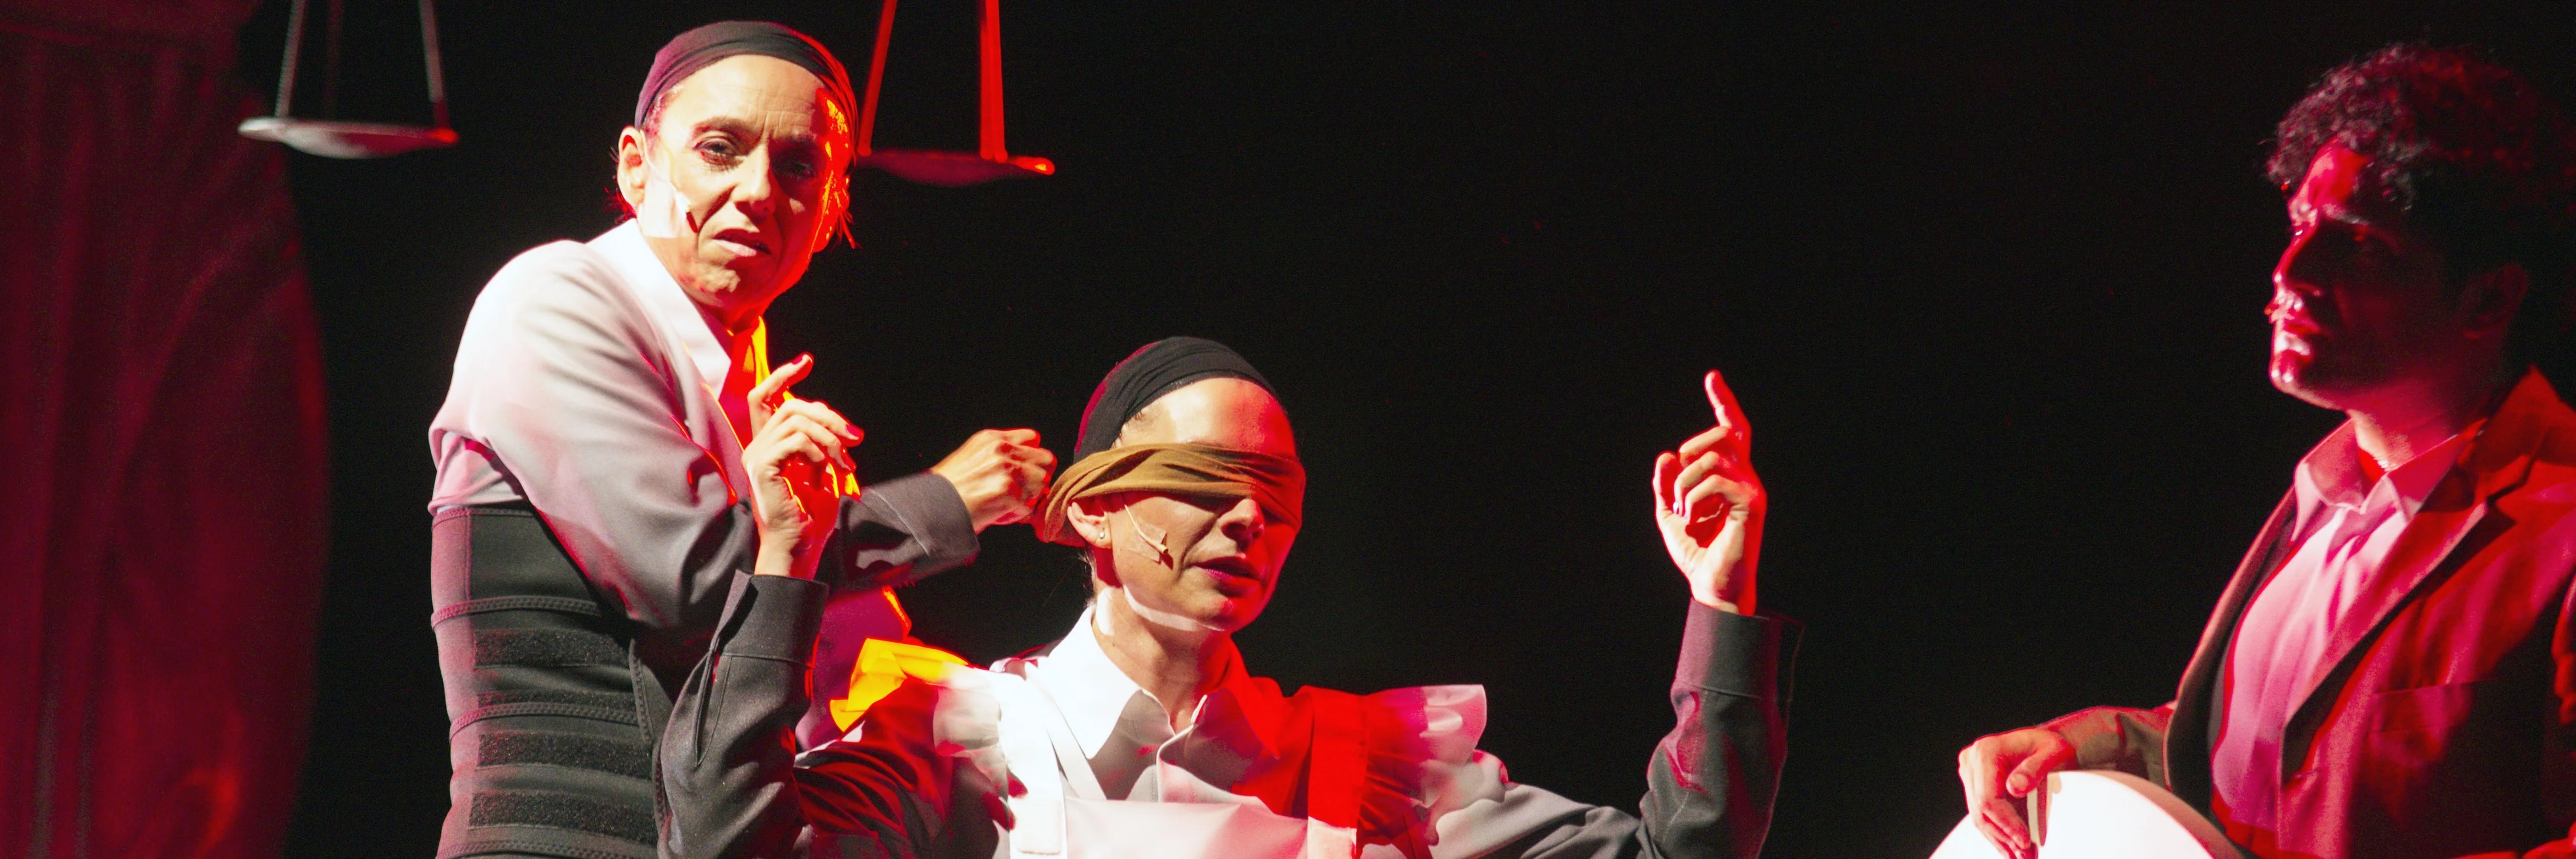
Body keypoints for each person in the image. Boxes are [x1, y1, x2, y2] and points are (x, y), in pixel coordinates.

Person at [658, 336, 1801, 858]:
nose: (1247, 520)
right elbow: (720, 849)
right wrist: (784, 564)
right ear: (1095, 509)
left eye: (1277, 495)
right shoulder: (959, 746)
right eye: (1206, 485)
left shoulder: (1370, 775)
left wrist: (1721, 601)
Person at [424, 22, 1055, 859]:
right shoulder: (554, 298)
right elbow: (699, 580)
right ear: (636, 165)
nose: (758, 189)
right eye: (720, 148)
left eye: (799, 165)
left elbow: (834, 661)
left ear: (831, 208)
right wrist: (942, 505)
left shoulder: (753, 394)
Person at [1956, 44, 2576, 858]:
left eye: (2357, 245)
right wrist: (2088, 747)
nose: (2289, 271)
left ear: (2488, 296)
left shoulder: (2557, 530)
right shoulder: (2320, 497)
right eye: (2297, 226)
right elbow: (2277, 764)